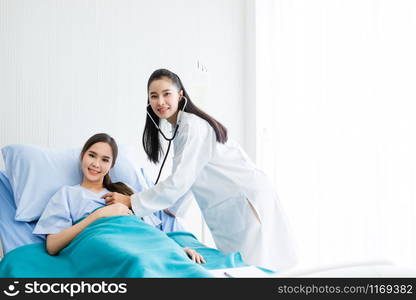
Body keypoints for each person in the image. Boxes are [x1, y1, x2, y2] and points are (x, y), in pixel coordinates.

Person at [101, 69, 297, 271]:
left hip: (246, 201)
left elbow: (180, 181)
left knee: (255, 268)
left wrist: (132, 201)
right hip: (230, 205)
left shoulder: (193, 127)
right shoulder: (181, 128)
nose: (160, 101)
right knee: (244, 268)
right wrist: (173, 210)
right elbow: (192, 175)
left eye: (166, 94)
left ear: (180, 96)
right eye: (154, 96)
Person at [33, 133, 205, 264]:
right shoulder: (66, 194)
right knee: (137, 262)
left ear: (111, 165)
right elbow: (52, 246)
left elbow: (147, 233)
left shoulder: (125, 194)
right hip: (105, 244)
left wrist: (176, 249)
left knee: (180, 267)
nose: (96, 164)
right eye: (92, 155)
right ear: (82, 156)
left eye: (105, 160)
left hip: (142, 244)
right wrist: (100, 214)